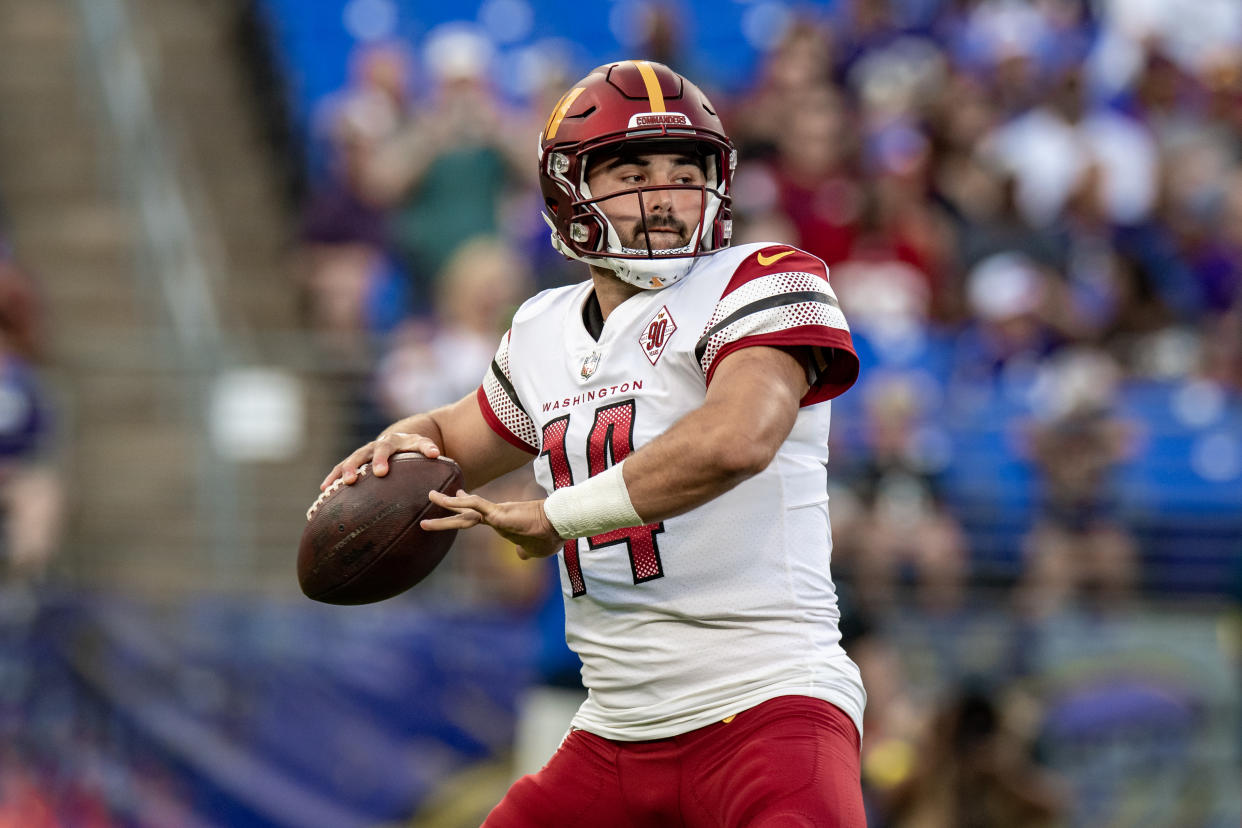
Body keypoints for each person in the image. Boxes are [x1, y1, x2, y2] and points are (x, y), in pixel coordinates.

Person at [320, 60, 866, 826]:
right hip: (614, 728)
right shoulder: (543, 328)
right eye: (632, 170)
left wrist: (558, 516)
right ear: (567, 192)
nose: (666, 193)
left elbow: (738, 438)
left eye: (686, 169)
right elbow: (455, 434)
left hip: (766, 705)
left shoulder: (765, 277)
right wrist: (401, 444)